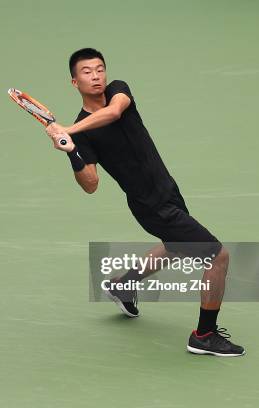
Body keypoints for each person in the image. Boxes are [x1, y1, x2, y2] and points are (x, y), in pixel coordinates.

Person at [45, 47, 245, 357]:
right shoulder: (81, 134)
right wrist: (71, 150)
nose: (96, 75)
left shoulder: (117, 92)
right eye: (87, 71)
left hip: (167, 190)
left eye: (100, 69)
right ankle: (203, 335)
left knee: (177, 245)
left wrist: (67, 129)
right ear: (74, 82)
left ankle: (122, 285)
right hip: (149, 204)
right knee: (218, 257)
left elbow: (112, 113)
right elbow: (90, 185)